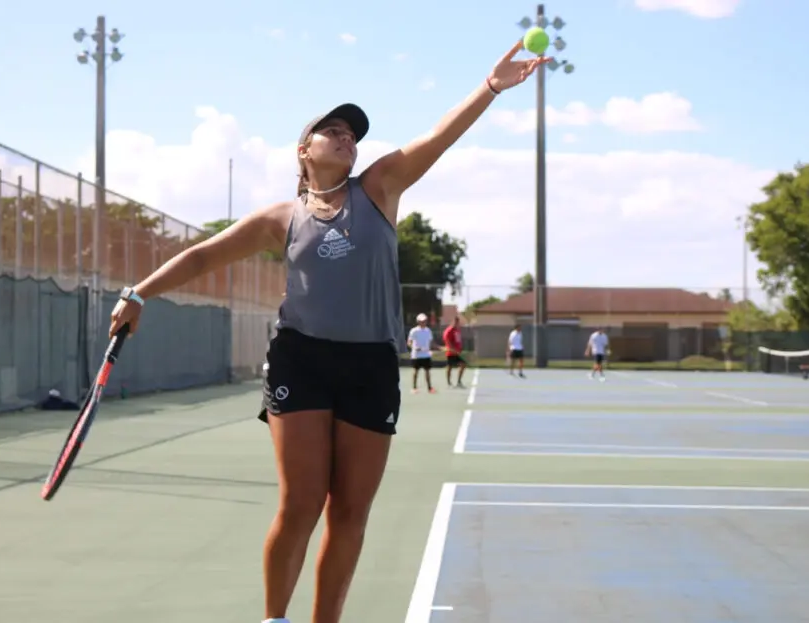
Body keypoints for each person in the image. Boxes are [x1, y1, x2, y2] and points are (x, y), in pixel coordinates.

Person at [107, 42, 551, 623]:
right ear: (304, 149)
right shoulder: (279, 218)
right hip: (301, 360)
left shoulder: (381, 187)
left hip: (370, 365)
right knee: (300, 505)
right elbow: (201, 257)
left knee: (349, 514)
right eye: (333, 131)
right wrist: (139, 291)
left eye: (352, 134)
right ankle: (274, 620)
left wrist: (489, 88)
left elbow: (440, 138)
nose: (348, 138)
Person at [407, 313, 437, 393]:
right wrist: (414, 348)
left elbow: (431, 343)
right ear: (418, 321)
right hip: (416, 355)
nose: (423, 322)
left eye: (424, 321)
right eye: (421, 321)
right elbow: (409, 342)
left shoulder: (428, 330)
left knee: (427, 372)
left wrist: (437, 348)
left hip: (426, 355)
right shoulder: (414, 331)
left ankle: (429, 388)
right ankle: (414, 388)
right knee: (415, 372)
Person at [442, 315, 467, 388]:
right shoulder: (449, 330)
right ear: (452, 322)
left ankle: (459, 381)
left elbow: (458, 341)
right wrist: (452, 349)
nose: (457, 323)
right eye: (455, 321)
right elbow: (447, 340)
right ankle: (449, 382)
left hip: (457, 353)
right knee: (450, 367)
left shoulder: (457, 330)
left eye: (458, 322)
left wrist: (460, 349)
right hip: (450, 352)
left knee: (463, 364)